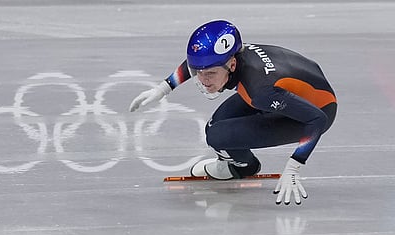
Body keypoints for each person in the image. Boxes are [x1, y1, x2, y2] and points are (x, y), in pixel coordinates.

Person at [129, 20, 337, 205]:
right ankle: (240, 161)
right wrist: (163, 89)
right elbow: (199, 62)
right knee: (215, 125)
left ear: (232, 64)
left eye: (210, 73)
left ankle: (242, 168)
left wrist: (293, 168)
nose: (203, 80)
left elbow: (316, 118)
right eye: (199, 72)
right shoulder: (233, 57)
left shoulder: (259, 91)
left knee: (217, 136)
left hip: (317, 110)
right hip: (287, 90)